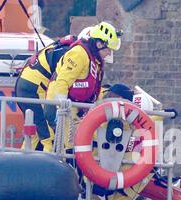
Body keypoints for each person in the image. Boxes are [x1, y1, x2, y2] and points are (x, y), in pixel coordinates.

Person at [45, 21, 122, 150]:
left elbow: (93, 89)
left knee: (83, 146)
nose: (109, 54)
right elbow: (62, 82)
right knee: (67, 148)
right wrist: (63, 108)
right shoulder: (79, 54)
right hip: (61, 107)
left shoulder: (95, 60)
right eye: (108, 50)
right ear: (99, 44)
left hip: (75, 109)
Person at [15, 34, 78, 151]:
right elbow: (60, 82)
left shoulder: (60, 48)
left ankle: (21, 164)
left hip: (26, 85)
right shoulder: (70, 54)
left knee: (34, 133)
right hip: (35, 89)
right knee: (49, 137)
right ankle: (50, 167)